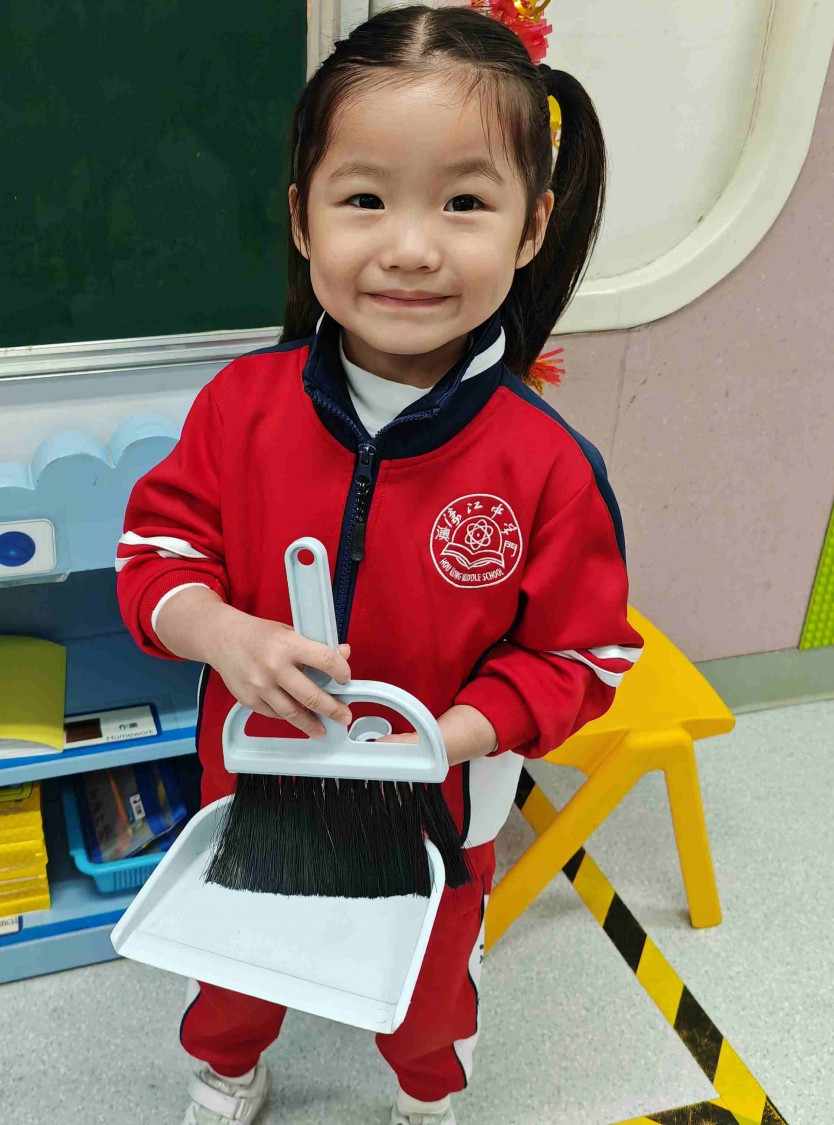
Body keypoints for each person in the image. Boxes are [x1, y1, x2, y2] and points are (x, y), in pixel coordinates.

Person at [115, 6, 644, 1122]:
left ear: (534, 226)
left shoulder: (546, 464)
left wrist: (450, 736)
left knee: (429, 1001)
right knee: (237, 970)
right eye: (364, 199)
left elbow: (584, 656)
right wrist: (220, 631)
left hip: (436, 810)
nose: (410, 247)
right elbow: (156, 558)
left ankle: (428, 1095)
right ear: (301, 219)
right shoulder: (239, 408)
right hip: (254, 787)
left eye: (464, 203)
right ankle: (226, 1070)